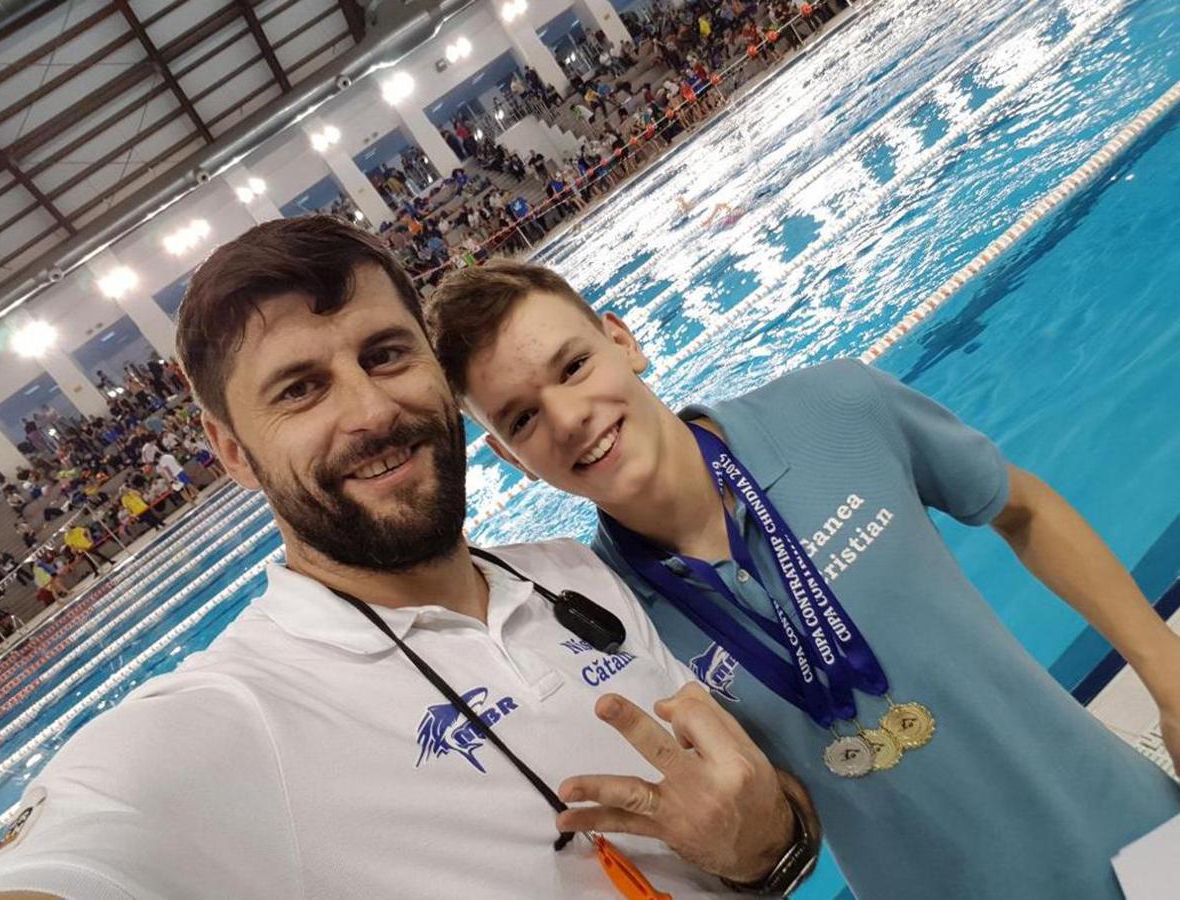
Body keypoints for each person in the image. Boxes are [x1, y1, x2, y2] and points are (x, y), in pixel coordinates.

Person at [0, 217, 818, 899]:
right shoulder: (234, 718)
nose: (372, 412)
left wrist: (768, 848)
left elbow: (775, 814)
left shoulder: (575, 569)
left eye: (385, 354)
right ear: (232, 451)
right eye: (300, 389)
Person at [426, 259, 1180, 900]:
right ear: (512, 458)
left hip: (1131, 834)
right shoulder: (611, 620)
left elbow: (1020, 508)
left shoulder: (836, 405)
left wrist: (1167, 672)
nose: (567, 418)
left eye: (573, 367)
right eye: (522, 420)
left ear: (622, 341)